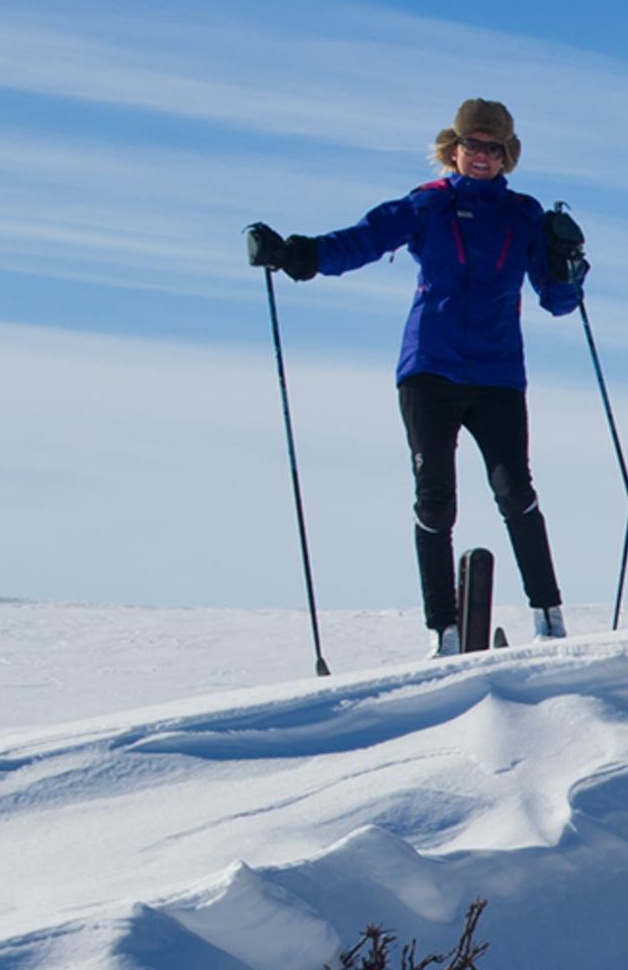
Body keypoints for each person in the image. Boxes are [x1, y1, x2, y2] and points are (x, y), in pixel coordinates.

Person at [245, 98, 583, 656]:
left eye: (493, 149)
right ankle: (443, 633)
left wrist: (570, 263)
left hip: (498, 375)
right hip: (430, 368)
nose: (481, 156)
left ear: (507, 158)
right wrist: (296, 255)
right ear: (453, 150)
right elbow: (361, 241)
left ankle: (550, 621)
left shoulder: (524, 215)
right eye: (472, 145)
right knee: (435, 501)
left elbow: (557, 300)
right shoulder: (427, 206)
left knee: (515, 492)